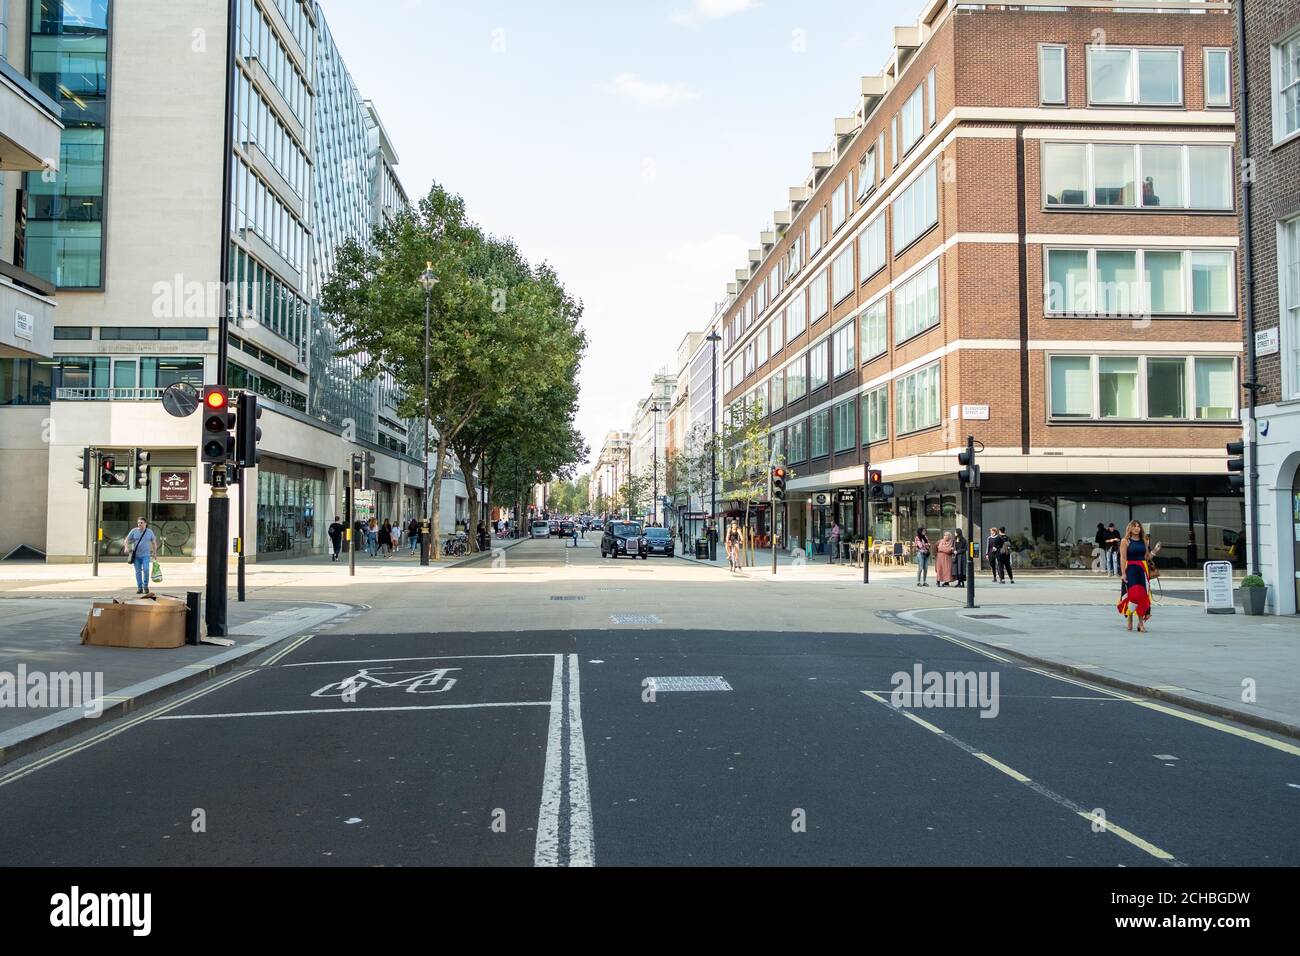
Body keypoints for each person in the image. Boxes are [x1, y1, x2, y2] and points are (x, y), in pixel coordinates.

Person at [1117, 519, 1152, 633]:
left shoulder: (1144, 541)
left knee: (1142, 596)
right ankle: (1130, 617)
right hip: (1131, 569)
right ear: (1130, 528)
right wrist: (1123, 573)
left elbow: (1147, 557)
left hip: (1142, 569)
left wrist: (1155, 551)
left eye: (1138, 526)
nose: (1137, 528)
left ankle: (1141, 623)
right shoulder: (1125, 541)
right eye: (1134, 526)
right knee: (1133, 596)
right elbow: (1122, 558)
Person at [122, 517, 158, 595]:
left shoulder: (149, 532)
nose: (139, 524)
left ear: (145, 523)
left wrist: (155, 553)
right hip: (136, 556)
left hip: (146, 555)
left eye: (141, 523)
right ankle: (139, 588)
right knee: (138, 572)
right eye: (138, 523)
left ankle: (145, 586)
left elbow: (154, 542)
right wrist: (126, 547)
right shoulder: (134, 531)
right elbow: (126, 540)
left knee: (146, 570)